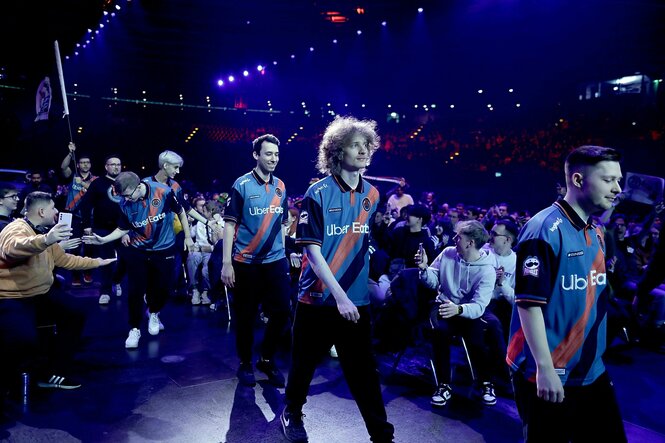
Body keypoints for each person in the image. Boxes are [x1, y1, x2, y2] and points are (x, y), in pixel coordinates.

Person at [281, 116, 394, 443]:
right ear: (336, 151)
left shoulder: (372, 194)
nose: (364, 151)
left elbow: (362, 241)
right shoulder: (317, 193)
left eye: (367, 146)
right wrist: (339, 296)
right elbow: (313, 253)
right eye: (355, 145)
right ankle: (292, 411)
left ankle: (382, 435)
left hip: (356, 302)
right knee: (303, 365)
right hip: (316, 300)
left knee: (365, 374)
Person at [506, 145, 627, 442]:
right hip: (549, 371)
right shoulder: (543, 229)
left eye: (618, 180)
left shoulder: (594, 231)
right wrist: (545, 368)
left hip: (591, 371)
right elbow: (528, 304)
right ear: (577, 180)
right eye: (609, 180)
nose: (618, 188)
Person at [0, 191, 115, 395]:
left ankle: (53, 372)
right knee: (23, 340)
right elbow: (12, 250)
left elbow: (63, 260)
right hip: (13, 298)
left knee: (76, 313)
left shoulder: (44, 230)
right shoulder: (16, 228)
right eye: (53, 208)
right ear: (42, 210)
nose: (56, 212)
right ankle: (14, 383)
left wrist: (97, 262)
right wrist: (45, 240)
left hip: (40, 293)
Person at [221, 134, 291, 388]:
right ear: (256, 155)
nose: (273, 159)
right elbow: (230, 225)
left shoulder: (281, 186)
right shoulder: (241, 185)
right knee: (247, 317)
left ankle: (266, 358)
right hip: (245, 263)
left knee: (282, 312)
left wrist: (284, 252)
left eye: (276, 154)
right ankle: (245, 363)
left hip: (275, 262)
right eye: (268, 154)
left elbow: (283, 224)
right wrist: (226, 263)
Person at [83, 171, 183, 349]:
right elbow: (123, 228)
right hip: (138, 249)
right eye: (123, 196)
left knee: (164, 287)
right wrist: (104, 239)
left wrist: (189, 236)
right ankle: (134, 328)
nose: (126, 199)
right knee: (136, 290)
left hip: (164, 247)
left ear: (137, 187)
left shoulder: (163, 191)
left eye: (128, 195)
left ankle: (154, 312)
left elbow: (181, 211)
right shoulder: (124, 203)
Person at [417, 220, 498, 408]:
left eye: (458, 236)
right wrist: (423, 269)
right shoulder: (447, 253)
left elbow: (479, 306)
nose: (454, 239)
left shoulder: (487, 270)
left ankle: (486, 382)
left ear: (470, 243)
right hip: (444, 304)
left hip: (467, 310)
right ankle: (444, 385)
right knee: (440, 332)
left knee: (477, 337)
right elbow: (432, 281)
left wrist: (459, 309)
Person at [78, 155, 124, 304]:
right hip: (102, 227)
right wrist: (86, 226)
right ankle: (105, 291)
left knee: (125, 259)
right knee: (106, 260)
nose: (116, 167)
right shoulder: (97, 183)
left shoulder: (126, 182)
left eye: (118, 164)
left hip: (123, 228)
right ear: (106, 167)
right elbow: (86, 204)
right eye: (112, 164)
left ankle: (116, 280)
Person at [60, 142, 97, 286]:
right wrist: (70, 153)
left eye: (87, 162)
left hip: (89, 218)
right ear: (78, 165)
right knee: (74, 247)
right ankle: (75, 275)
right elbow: (63, 167)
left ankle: (87, 271)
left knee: (89, 247)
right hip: (73, 217)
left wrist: (81, 183)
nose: (85, 165)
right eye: (82, 162)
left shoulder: (95, 180)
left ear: (90, 165)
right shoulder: (72, 176)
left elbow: (93, 190)